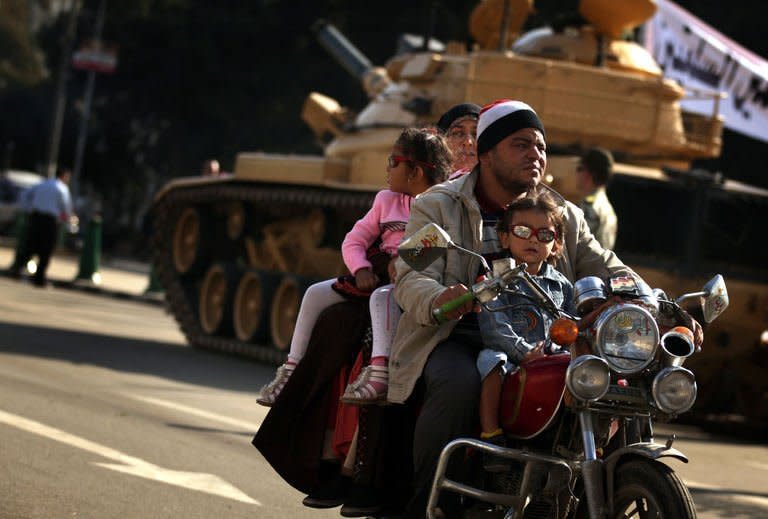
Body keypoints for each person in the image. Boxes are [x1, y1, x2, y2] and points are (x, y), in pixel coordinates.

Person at [389, 99, 649, 518]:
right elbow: (410, 274)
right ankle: (428, 505)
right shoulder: (438, 205)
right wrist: (436, 297)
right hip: (460, 335)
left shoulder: (563, 214)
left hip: (544, 340)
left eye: (541, 146)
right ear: (487, 152)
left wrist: (652, 300)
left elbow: (608, 265)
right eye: (521, 144)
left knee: (613, 391)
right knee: (459, 387)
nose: (535, 154)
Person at [257, 127, 453, 407]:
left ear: (416, 173)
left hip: (416, 281)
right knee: (315, 292)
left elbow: (440, 240)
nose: (387, 168)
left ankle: (379, 373)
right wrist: (361, 268)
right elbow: (354, 239)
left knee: (382, 297)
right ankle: (291, 369)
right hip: (379, 273)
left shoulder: (442, 204)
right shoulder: (386, 201)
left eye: (393, 162)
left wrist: (405, 262)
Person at [475, 192, 575, 471]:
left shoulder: (563, 286)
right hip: (513, 356)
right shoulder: (494, 279)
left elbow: (570, 324)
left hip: (551, 359)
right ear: (505, 237)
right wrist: (522, 351)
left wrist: (565, 351)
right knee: (492, 360)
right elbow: (493, 326)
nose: (533, 239)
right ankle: (491, 435)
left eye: (544, 234)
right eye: (522, 231)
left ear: (556, 244)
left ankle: (581, 437)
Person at [9, 168, 73, 287]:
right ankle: (39, 278)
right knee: (45, 250)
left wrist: (28, 209)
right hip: (50, 222)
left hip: (36, 218)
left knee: (30, 246)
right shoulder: (62, 188)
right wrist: (68, 222)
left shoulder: (42, 184)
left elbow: (24, 195)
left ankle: (17, 270)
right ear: (64, 176)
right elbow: (66, 208)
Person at [575, 147, 617, 249]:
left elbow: (577, 244)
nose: (577, 173)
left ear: (588, 174)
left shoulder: (589, 206)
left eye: (580, 168)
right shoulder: (606, 207)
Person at [435, 102, 480, 176]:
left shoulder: (499, 186)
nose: (468, 142)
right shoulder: (426, 185)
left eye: (476, 134)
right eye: (458, 133)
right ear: (442, 142)